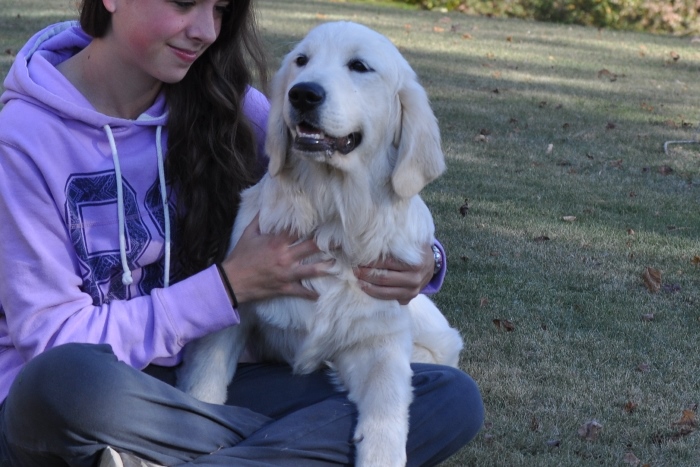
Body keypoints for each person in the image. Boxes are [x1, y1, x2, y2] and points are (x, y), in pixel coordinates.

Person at [0, 0, 484, 465]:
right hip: (81, 399)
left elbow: (373, 188)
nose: (206, 30)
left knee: (447, 395)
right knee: (60, 379)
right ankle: (277, 450)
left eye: (220, 9)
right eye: (185, 1)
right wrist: (228, 286)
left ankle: (160, 460)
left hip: (192, 387)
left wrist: (428, 261)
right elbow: (52, 340)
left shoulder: (222, 104)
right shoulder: (21, 139)